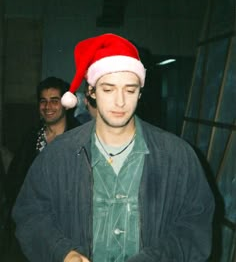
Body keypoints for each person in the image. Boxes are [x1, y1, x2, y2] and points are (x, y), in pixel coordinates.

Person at [12, 33, 215, 262]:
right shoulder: (58, 155)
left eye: (129, 90)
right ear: (91, 92)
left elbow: (195, 223)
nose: (120, 102)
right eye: (108, 89)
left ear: (140, 92)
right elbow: (30, 214)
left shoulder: (177, 155)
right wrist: (62, 252)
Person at [6, 76, 80, 209]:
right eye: (43, 101)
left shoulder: (78, 138)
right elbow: (15, 179)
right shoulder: (31, 138)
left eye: (54, 101)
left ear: (66, 105)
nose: (47, 107)